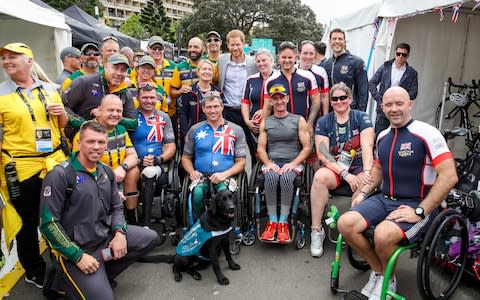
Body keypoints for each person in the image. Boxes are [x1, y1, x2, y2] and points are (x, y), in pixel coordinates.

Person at [337, 87, 458, 299]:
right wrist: (363, 193)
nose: (394, 109)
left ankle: (386, 281)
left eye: (399, 103)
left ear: (410, 104)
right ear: (382, 107)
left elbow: (449, 176)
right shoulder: (383, 136)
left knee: (382, 234)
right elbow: (378, 169)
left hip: (419, 204)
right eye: (389, 105)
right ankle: (380, 272)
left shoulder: (427, 133)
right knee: (345, 223)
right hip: (385, 199)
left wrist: (420, 210)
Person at [39, 120, 160, 300]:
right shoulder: (60, 175)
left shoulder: (106, 172)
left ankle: (99, 273)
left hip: (103, 243)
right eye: (90, 142)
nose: (96, 147)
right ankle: (62, 280)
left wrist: (119, 234)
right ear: (79, 143)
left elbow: (117, 207)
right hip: (77, 249)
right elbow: (49, 224)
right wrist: (77, 256)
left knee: (150, 238)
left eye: (101, 142)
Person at [0, 42, 68, 288]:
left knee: (59, 214)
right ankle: (33, 269)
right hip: (21, 166)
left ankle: (63, 259)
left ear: (29, 61)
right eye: (4, 58)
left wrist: (61, 112)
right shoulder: (1, 93)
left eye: (13, 57)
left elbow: (62, 125)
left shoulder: (50, 89)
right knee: (27, 221)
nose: (7, 61)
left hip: (53, 162)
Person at [309, 83, 374, 258]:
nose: (339, 101)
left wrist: (367, 171)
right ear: (330, 101)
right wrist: (344, 174)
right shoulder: (324, 121)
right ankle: (316, 230)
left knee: (365, 182)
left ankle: (354, 231)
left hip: (359, 165)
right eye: (335, 99)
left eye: (343, 98)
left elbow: (368, 146)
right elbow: (323, 154)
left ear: (350, 99)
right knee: (319, 177)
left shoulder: (361, 117)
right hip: (336, 167)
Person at [72, 95, 139, 224]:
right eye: (110, 110)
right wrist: (109, 177)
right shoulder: (87, 132)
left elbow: (133, 155)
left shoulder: (121, 130)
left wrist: (122, 167)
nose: (115, 114)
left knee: (133, 170)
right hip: (95, 179)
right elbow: (80, 164)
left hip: (118, 176)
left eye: (119, 111)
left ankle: (132, 220)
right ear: (100, 111)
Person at [257, 83, 311, 243]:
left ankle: (283, 223)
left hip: (293, 162)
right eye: (275, 99)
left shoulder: (298, 120)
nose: (279, 101)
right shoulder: (266, 122)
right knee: (272, 177)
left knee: (287, 178)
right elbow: (260, 148)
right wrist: (268, 163)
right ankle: (272, 221)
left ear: (287, 99)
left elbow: (307, 147)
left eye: (282, 98)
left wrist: (293, 164)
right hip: (273, 161)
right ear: (271, 102)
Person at [181, 93, 247, 219]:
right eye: (209, 107)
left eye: (216, 106)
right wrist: (191, 172)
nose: (213, 110)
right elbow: (185, 158)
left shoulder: (236, 130)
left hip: (225, 176)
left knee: (224, 194)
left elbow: (241, 162)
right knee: (197, 194)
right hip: (201, 176)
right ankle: (200, 224)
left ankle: (222, 225)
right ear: (203, 109)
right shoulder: (195, 129)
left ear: (222, 107)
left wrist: (224, 174)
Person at [131, 84, 176, 224]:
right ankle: (132, 217)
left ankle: (146, 223)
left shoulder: (164, 117)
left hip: (157, 165)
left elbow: (171, 146)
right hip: (134, 163)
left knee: (149, 172)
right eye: (145, 97)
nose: (149, 101)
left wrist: (159, 159)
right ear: (138, 98)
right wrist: (138, 160)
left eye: (152, 97)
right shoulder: (130, 117)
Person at [62, 53, 137, 131]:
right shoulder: (84, 82)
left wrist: (110, 116)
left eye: (123, 70)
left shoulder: (125, 91)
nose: (119, 73)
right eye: (115, 68)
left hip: (110, 138)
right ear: (106, 66)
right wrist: (84, 125)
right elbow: (64, 107)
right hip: (80, 137)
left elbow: (133, 123)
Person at [217, 30, 258, 160]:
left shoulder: (253, 63)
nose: (235, 48)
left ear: (243, 43)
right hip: (227, 110)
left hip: (247, 111)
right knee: (226, 146)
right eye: (232, 45)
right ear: (228, 45)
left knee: (254, 147)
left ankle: (255, 176)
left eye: (238, 44)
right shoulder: (222, 60)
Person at [263, 41, 320, 134]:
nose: (287, 60)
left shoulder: (308, 76)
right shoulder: (270, 81)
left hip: (303, 127)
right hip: (280, 130)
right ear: (278, 58)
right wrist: (264, 130)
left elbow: (316, 102)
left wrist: (309, 123)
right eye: (284, 57)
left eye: (290, 57)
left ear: (296, 57)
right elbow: (267, 108)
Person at [368, 43, 418, 136]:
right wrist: (379, 99)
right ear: (395, 53)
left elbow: (414, 93)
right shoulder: (385, 67)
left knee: (398, 136)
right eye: (398, 54)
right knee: (380, 135)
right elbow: (371, 83)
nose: (400, 56)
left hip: (400, 110)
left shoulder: (411, 73)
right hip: (384, 108)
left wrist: (401, 100)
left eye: (404, 55)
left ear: (408, 56)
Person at [240, 49, 276, 161]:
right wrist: (247, 121)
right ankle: (256, 178)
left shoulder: (279, 77)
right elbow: (245, 101)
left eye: (264, 60)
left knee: (271, 155)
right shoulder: (251, 79)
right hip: (254, 126)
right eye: (258, 61)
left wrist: (265, 110)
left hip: (273, 124)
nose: (261, 63)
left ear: (271, 60)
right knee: (255, 156)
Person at [321, 28, 369, 112]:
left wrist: (360, 114)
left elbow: (363, 92)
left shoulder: (357, 62)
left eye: (340, 39)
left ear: (345, 42)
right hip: (332, 111)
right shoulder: (326, 64)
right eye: (334, 39)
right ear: (330, 42)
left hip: (350, 111)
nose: (337, 41)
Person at [178, 59, 221, 137]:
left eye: (210, 69)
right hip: (194, 133)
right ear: (198, 72)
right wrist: (186, 134)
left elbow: (222, 115)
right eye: (204, 69)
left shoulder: (218, 92)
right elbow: (183, 114)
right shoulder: (189, 91)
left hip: (214, 133)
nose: (207, 72)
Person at [298, 40, 329, 117]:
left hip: (316, 117)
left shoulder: (320, 72)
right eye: (305, 53)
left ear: (315, 55)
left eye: (311, 54)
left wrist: (325, 118)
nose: (308, 57)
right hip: (296, 117)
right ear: (299, 54)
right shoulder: (293, 71)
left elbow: (325, 96)